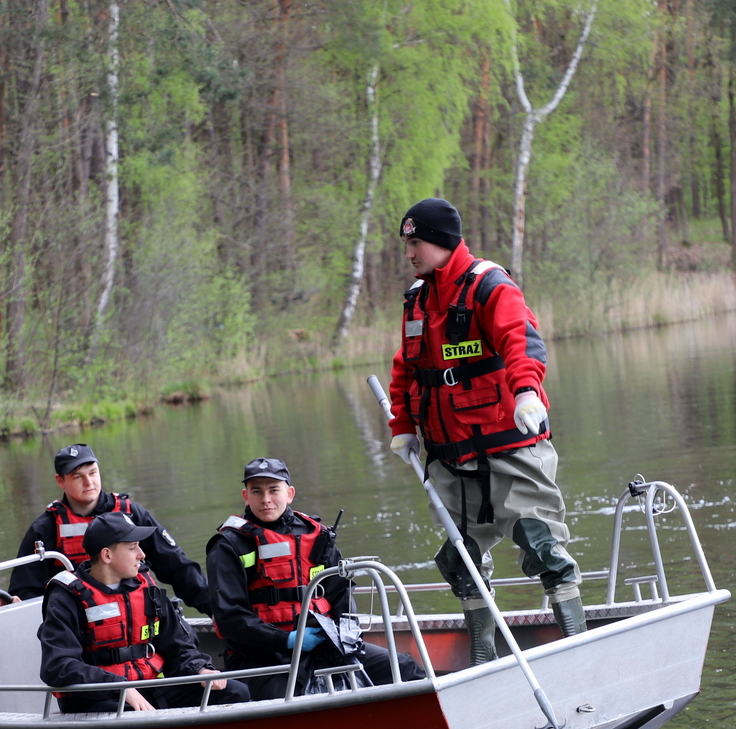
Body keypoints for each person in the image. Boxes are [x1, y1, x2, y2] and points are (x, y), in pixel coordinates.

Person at [386, 197, 585, 664]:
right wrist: (403, 426)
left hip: (508, 441)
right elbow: (406, 369)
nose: (410, 252)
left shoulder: (490, 287)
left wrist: (526, 394)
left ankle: (577, 643)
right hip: (449, 453)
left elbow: (522, 342)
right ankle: (482, 655)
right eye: (407, 243)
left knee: (540, 541)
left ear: (439, 241)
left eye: (415, 242)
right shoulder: (417, 299)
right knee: (461, 558)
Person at [207, 457, 425, 700]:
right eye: (257, 491)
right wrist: (287, 640)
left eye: (273, 490)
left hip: (323, 646)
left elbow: (340, 591)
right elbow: (230, 617)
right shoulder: (228, 544)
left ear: (289, 493)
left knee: (404, 668)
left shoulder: (316, 534)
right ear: (246, 496)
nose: (266, 499)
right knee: (298, 697)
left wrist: (344, 636)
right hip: (260, 656)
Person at [39, 512, 251, 715]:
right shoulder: (67, 597)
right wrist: (119, 687)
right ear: (107, 555)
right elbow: (58, 666)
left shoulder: (146, 586)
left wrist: (200, 670)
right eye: (132, 548)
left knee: (234, 692)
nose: (142, 554)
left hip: (150, 688)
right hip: (97, 699)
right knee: (134, 715)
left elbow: (177, 644)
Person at [9, 443, 210, 612]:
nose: (89, 482)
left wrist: (214, 609)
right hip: (77, 625)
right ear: (60, 481)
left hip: (136, 613)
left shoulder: (131, 514)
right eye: (78, 476)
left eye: (93, 473)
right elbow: (25, 591)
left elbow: (176, 566)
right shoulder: (45, 529)